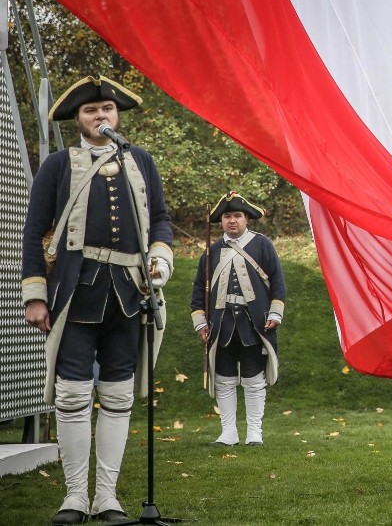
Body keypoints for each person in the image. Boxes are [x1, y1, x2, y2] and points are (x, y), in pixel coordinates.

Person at [21, 75, 174, 524]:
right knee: (71, 395)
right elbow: (33, 232)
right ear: (78, 119)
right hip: (75, 292)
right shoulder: (57, 164)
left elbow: (160, 220)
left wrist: (161, 261)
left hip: (129, 294)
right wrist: (35, 293)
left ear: (117, 115)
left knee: (118, 393)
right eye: (91, 111)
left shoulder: (140, 160)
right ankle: (73, 497)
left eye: (107, 109)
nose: (100, 116)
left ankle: (107, 496)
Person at [191, 191, 286, 446]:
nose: (232, 221)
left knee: (254, 380)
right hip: (222, 326)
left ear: (246, 219)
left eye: (238, 216)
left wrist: (275, 312)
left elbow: (277, 281)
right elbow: (200, 288)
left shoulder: (262, 244)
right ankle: (228, 433)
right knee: (224, 379)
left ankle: (255, 433)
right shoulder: (212, 251)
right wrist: (201, 321)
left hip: (253, 323)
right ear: (221, 221)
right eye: (228, 216)